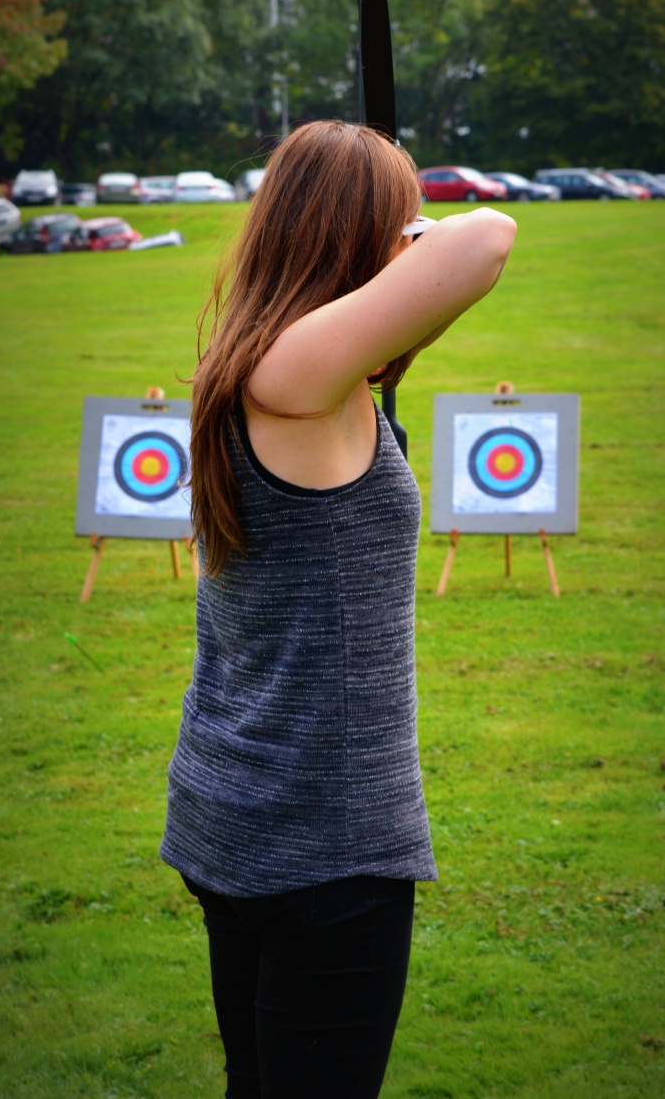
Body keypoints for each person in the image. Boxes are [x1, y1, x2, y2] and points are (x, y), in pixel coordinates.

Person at [161, 121, 516, 1098]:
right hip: (320, 840)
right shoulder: (294, 381)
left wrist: (391, 262)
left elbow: (412, 317)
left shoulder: (259, 365)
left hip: (236, 811)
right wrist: (415, 239)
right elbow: (487, 239)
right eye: (397, 221)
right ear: (358, 236)